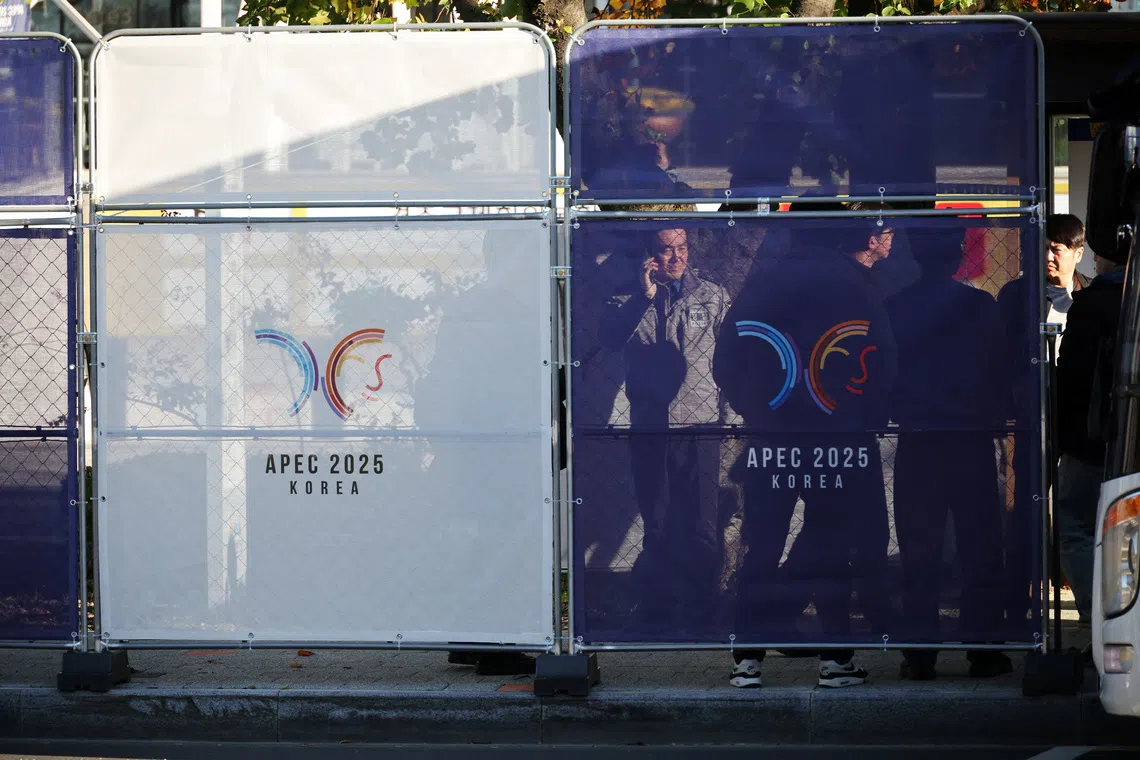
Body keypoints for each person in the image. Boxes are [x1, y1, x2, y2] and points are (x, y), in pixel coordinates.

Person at [713, 207, 896, 688]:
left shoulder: (765, 282)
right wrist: (864, 415)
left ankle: (746, 661)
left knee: (763, 543)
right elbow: (881, 357)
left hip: (775, 439)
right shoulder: (854, 283)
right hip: (837, 437)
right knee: (833, 541)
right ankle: (834, 661)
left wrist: (758, 409)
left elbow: (726, 357)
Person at [887, 226, 1013, 680]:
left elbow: (886, 372)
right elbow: (999, 370)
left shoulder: (896, 307)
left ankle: (919, 653)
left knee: (919, 546)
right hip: (970, 437)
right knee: (980, 543)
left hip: (919, 438)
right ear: (959, 253)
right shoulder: (978, 306)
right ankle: (983, 649)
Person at [599, 227, 729, 636]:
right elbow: (610, 338)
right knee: (657, 523)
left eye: (681, 248)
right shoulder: (626, 297)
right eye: (665, 250)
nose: (675, 257)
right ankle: (660, 613)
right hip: (652, 426)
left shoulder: (711, 295)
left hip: (702, 424)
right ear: (649, 255)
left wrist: (729, 416)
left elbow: (731, 358)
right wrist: (645, 296)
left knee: (703, 526)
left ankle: (703, 613)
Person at [997, 214, 1091, 626]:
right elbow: (1001, 357)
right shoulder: (1017, 295)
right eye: (1045, 246)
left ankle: (1080, 592)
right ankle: (1018, 603)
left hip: (1079, 422)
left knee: (1078, 510)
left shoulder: (1091, 296)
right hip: (1032, 415)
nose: (1050, 255)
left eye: (1058, 248)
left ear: (1077, 252)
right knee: (1027, 510)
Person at [1056, 251, 1126, 627]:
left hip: (1090, 440)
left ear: (1097, 257)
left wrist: (1064, 438)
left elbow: (1072, 378)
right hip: (1128, 441)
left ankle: (1096, 617)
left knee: (1078, 526)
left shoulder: (1090, 305)